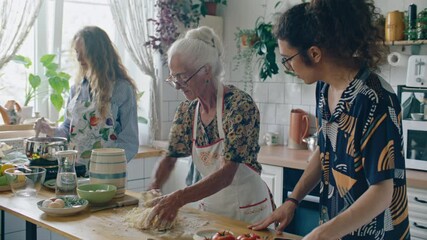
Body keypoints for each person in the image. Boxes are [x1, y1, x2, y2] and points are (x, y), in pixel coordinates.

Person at [249, 1, 410, 239]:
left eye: (287, 58)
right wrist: (293, 200)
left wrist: (321, 234)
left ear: (314, 53)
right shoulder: (324, 88)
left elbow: (382, 193)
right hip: (338, 230)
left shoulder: (374, 99)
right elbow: (326, 149)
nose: (287, 66)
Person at [146, 26, 274, 227]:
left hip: (248, 213)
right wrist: (153, 188)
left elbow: (226, 175)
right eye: (173, 77)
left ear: (206, 71)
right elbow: (170, 157)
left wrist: (178, 198)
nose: (178, 85)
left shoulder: (239, 106)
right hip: (211, 210)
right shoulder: (187, 111)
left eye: (183, 76)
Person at [34, 26, 139, 167]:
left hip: (107, 173)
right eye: (77, 52)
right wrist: (51, 130)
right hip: (74, 170)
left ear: (99, 54)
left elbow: (129, 141)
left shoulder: (122, 89)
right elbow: (68, 129)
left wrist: (107, 167)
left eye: (83, 53)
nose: (78, 58)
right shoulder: (76, 89)